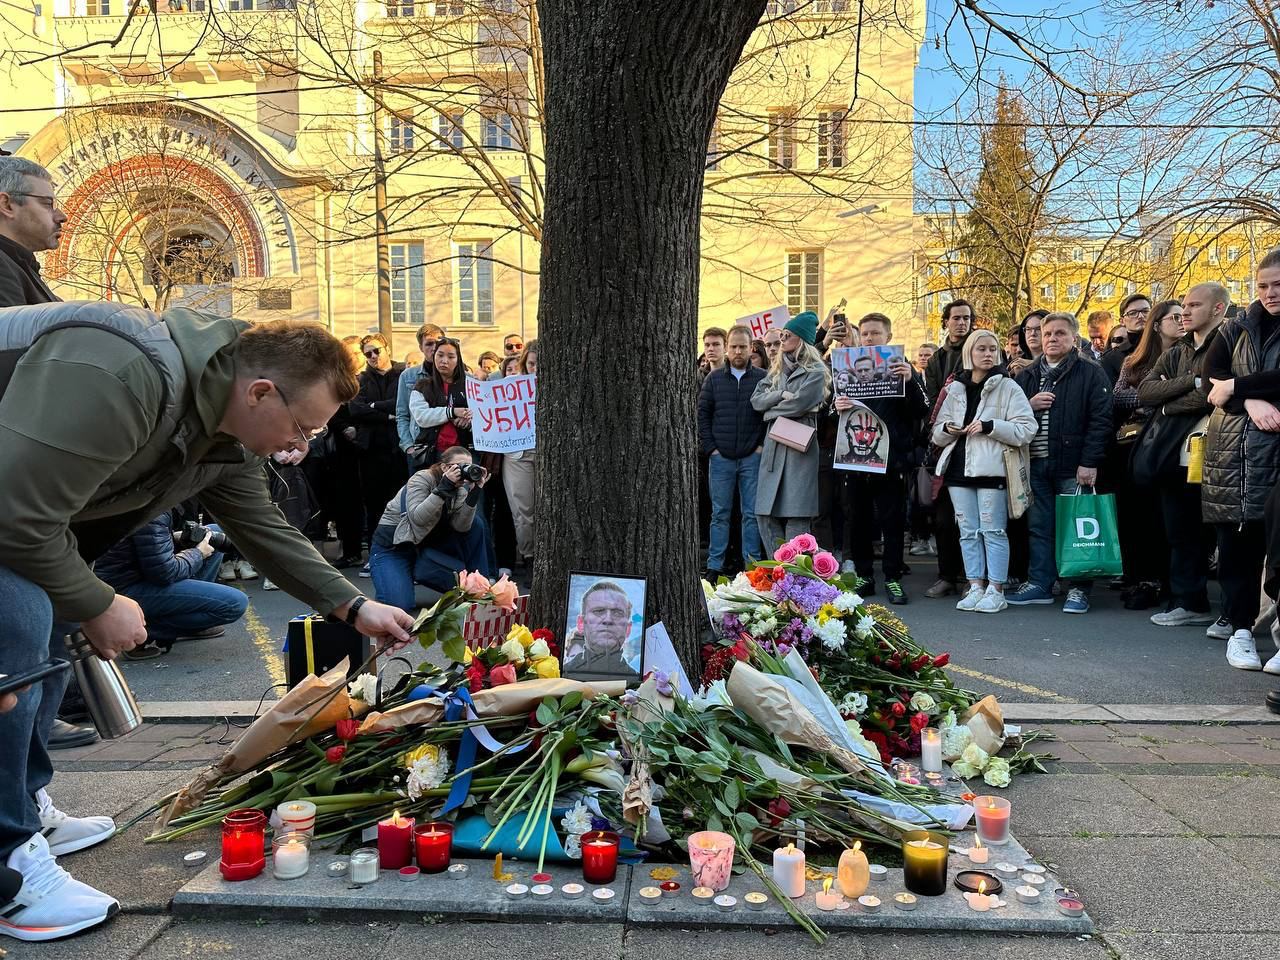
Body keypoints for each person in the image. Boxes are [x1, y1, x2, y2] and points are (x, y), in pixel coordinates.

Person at [0, 304, 413, 942]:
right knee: (20, 616)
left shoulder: (225, 431)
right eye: (301, 427)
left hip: (19, 518)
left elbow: (263, 529)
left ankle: (23, 806)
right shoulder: (124, 372)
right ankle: (7, 864)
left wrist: (354, 608)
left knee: (45, 619)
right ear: (260, 392)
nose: (299, 448)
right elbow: (13, 512)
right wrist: (98, 601)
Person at [1203, 251, 1280, 671]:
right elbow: (1209, 379)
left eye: (1278, 284)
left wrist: (1236, 386)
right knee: (1236, 550)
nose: (1270, 293)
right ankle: (1240, 632)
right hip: (1233, 454)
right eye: (1263, 285)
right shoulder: (1235, 326)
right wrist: (1248, 400)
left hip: (1274, 451)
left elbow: (1226, 383)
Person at [1007, 312, 1114, 613]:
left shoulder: (1091, 372)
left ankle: (1079, 589)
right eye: (1048, 333)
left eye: (1060, 333)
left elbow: (1101, 421)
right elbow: (1010, 416)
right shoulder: (1027, 375)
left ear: (1074, 338)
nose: (1052, 338)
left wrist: (1089, 462)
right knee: (1039, 527)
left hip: (1073, 464)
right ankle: (1040, 584)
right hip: (1035, 463)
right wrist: (1029, 406)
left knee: (1078, 528)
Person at [932, 329, 1036, 614]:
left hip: (992, 470)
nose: (988, 354)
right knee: (967, 532)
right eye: (981, 349)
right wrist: (948, 428)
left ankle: (996, 589)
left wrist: (991, 426)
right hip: (957, 470)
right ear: (969, 352)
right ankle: (975, 585)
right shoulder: (955, 388)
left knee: (993, 531)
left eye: (992, 349)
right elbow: (937, 433)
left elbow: (1027, 429)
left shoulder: (1009, 387)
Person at [1140, 283, 1225, 628]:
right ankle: (1189, 602)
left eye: (1194, 306)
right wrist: (1191, 382)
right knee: (1181, 531)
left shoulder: (1230, 343)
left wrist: (1169, 402)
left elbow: (1214, 395)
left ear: (1218, 309)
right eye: (1183, 306)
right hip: (1175, 454)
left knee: (1222, 535)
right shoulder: (1178, 350)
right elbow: (1146, 391)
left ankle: (1234, 613)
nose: (1184, 313)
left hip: (1218, 453)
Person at [837, 313, 928, 604]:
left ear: (888, 337)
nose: (869, 338)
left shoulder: (903, 368)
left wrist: (910, 380)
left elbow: (922, 410)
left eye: (875, 333)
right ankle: (864, 575)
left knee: (892, 521)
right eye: (865, 333)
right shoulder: (846, 368)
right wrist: (836, 404)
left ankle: (892, 577)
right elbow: (831, 412)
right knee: (858, 520)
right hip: (855, 458)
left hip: (892, 458)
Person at [95, 510, 248, 658]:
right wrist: (198, 553)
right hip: (124, 590)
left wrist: (174, 538)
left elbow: (145, 543)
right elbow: (165, 573)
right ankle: (140, 633)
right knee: (235, 604)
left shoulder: (144, 499)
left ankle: (191, 622)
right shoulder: (154, 510)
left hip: (126, 576)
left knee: (213, 533)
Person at [1109, 300, 1183, 606]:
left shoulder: (1188, 355)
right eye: (1174, 317)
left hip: (1173, 442)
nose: (1182, 320)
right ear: (1158, 324)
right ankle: (1141, 578)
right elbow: (1118, 397)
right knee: (1137, 516)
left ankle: (1167, 581)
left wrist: (1156, 395)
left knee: (1166, 517)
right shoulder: (1135, 360)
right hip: (1136, 444)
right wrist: (1155, 394)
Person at [369, 446, 491, 609]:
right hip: (394, 548)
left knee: (476, 523)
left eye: (468, 466)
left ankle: (478, 586)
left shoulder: (460, 488)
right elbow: (418, 518)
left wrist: (474, 493)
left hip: (424, 547)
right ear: (444, 467)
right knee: (399, 606)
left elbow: (461, 527)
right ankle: (397, 575)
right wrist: (444, 487)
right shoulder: (422, 479)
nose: (463, 471)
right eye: (459, 466)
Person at [753, 311, 830, 547]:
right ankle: (778, 564)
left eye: (788, 335)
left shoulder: (816, 372)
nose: (782, 340)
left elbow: (798, 405)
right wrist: (780, 394)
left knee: (797, 516)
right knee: (764, 514)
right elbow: (756, 400)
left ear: (802, 339)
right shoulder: (775, 372)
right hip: (774, 448)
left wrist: (770, 412)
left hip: (799, 449)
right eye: (782, 335)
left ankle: (794, 568)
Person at [699, 325, 766, 578]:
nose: (738, 351)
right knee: (720, 514)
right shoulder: (713, 379)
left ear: (751, 348)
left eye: (743, 347)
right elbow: (703, 415)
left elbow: (768, 415)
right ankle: (714, 566)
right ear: (727, 348)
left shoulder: (762, 378)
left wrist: (760, 447)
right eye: (734, 347)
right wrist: (712, 449)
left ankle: (752, 567)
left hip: (752, 457)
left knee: (751, 515)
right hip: (721, 459)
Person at [350, 334, 408, 571]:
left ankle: (402, 554)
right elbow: (356, 409)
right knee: (374, 505)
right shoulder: (361, 379)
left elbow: (402, 403)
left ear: (387, 348)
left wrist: (375, 406)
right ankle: (376, 554)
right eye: (368, 354)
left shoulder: (403, 374)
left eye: (377, 351)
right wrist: (388, 416)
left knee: (402, 502)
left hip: (399, 449)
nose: (373, 356)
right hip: (371, 451)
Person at [0, 158, 64, 307]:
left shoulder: (21, 265)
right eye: (47, 204)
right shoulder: (4, 267)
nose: (62, 217)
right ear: (7, 205)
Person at [503, 340, 539, 571]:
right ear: (525, 364)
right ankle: (529, 557)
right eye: (532, 364)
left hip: (544, 451)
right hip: (518, 454)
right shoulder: (510, 385)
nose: (536, 369)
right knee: (523, 510)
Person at [409, 337, 471, 467]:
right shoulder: (423, 386)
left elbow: (484, 413)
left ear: (458, 359)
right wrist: (452, 412)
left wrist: (469, 419)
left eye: (451, 357)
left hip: (465, 454)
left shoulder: (471, 386)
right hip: (432, 454)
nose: (444, 361)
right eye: (440, 355)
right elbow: (421, 416)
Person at [562, 581, 639, 680]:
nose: (608, 619)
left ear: (628, 628)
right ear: (581, 623)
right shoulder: (561, 677)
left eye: (617, 613)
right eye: (598, 611)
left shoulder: (638, 684)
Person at [396, 322, 447, 457]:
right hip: (420, 446)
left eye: (438, 343)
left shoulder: (461, 375)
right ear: (421, 348)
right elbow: (402, 414)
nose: (434, 348)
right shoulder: (408, 376)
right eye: (429, 344)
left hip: (451, 446)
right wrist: (408, 446)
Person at [924, 299, 973, 400]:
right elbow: (933, 398)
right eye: (956, 318)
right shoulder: (935, 359)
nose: (962, 323)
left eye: (966, 318)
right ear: (946, 322)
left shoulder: (981, 352)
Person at [1101, 293, 1151, 383]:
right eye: (1133, 313)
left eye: (1145, 311)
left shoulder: (1166, 347)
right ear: (1122, 321)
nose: (1140, 316)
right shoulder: (1112, 358)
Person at [1008, 310, 1046, 377]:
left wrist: (1032, 366)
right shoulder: (1016, 364)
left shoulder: (1061, 363)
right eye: (1028, 329)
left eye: (1038, 329)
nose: (1033, 333)